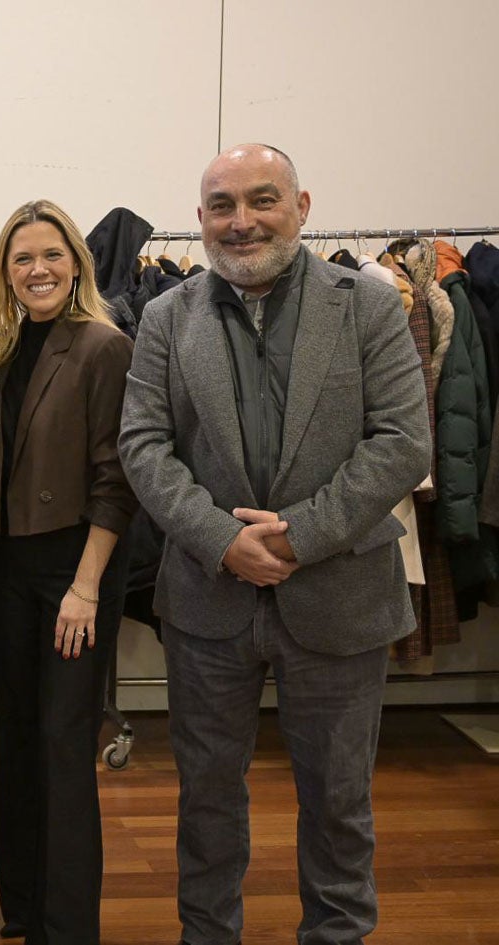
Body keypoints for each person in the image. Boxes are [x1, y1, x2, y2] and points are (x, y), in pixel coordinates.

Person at [118, 144, 431, 945]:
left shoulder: (366, 304)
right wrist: (223, 540)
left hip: (338, 595)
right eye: (221, 205)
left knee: (337, 801)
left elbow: (403, 441)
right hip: (207, 597)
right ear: (198, 221)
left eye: (261, 199)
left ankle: (335, 934)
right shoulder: (163, 317)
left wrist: (300, 538)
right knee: (207, 799)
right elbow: (143, 447)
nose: (241, 219)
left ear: (301, 206)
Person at [0, 200, 136, 943]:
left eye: (50, 255)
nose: (36, 269)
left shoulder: (103, 345)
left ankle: (66, 924)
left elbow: (116, 479)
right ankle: (21, 906)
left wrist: (84, 587)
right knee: (12, 738)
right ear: (5, 272)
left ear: (75, 261)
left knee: (63, 744)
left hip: (72, 570)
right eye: (21, 258)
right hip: (4, 567)